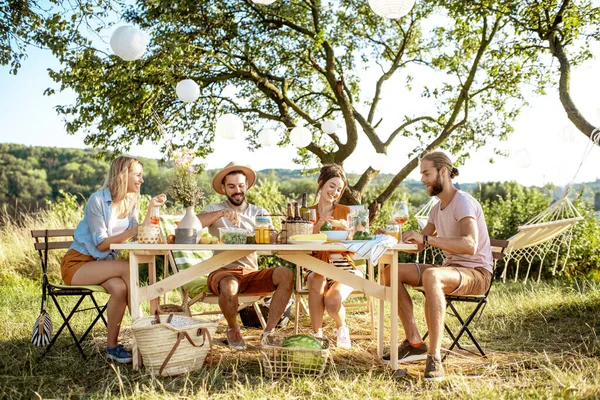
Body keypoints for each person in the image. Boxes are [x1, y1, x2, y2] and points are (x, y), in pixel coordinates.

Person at [381, 151, 493, 381]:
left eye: (426, 173)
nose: (422, 179)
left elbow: (470, 245)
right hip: (451, 269)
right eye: (421, 173)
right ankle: (414, 341)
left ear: (444, 172)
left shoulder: (463, 201)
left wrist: (427, 239)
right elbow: (420, 245)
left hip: (476, 273)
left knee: (432, 275)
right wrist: (390, 238)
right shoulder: (436, 208)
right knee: (390, 272)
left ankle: (435, 357)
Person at [60, 155, 167, 363]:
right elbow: (100, 243)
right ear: (122, 175)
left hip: (101, 266)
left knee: (120, 288)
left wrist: (152, 207)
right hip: (78, 265)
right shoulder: (97, 200)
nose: (141, 180)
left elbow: (138, 234)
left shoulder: (131, 202)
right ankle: (145, 331)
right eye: (137, 175)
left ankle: (112, 347)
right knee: (128, 267)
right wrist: (132, 231)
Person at [198, 161, 294, 350]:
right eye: (232, 186)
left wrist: (270, 233)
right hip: (222, 272)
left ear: (247, 186)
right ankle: (233, 329)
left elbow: (273, 239)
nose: (237, 191)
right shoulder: (213, 209)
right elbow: (193, 224)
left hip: (251, 272)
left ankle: (268, 332)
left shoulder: (259, 212)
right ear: (223, 188)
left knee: (286, 274)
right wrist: (221, 213)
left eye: (241, 186)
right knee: (230, 284)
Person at [306, 164, 360, 349]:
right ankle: (317, 335)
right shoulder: (306, 212)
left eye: (339, 189)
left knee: (332, 300)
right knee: (317, 280)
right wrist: (316, 227)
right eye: (332, 186)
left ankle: (341, 327)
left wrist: (349, 228)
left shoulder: (346, 212)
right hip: (315, 264)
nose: (335, 192)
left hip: (343, 265)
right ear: (321, 184)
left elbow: (360, 237)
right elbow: (300, 242)